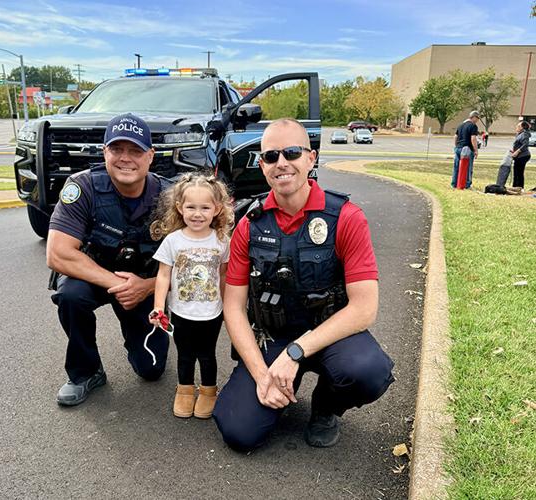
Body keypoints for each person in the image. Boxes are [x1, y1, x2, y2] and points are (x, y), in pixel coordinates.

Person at [212, 118, 394, 451]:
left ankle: (326, 406)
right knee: (239, 431)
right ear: (262, 165)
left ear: (311, 159)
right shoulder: (248, 224)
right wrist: (261, 375)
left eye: (292, 152)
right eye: (270, 156)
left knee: (368, 371)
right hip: (273, 335)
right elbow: (234, 308)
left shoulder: (346, 217)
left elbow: (364, 309)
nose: (281, 163)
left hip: (330, 334)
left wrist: (296, 352)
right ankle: (277, 388)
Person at [47, 113, 173, 406]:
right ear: (105, 152)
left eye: (136, 151)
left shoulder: (171, 196)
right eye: (117, 149)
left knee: (151, 369)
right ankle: (85, 372)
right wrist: (120, 284)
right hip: (95, 276)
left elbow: (193, 260)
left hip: (146, 282)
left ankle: (141, 341)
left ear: (151, 156)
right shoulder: (82, 188)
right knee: (70, 295)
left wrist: (147, 286)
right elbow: (58, 253)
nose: (125, 158)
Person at [149, 173, 233, 419]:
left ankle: (208, 391)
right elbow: (163, 276)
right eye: (191, 207)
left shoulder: (221, 241)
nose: (198, 214)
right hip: (181, 312)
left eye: (205, 207)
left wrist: (229, 307)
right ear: (179, 207)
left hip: (211, 313)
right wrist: (159, 307)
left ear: (217, 209)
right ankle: (185, 390)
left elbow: (224, 275)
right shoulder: (173, 241)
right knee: (185, 354)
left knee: (207, 354)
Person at [451, 110, 480, 189]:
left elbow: (455, 137)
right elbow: (473, 138)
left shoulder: (461, 125)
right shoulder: (473, 126)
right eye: (477, 118)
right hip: (466, 148)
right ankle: (467, 184)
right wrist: (476, 150)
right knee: (468, 167)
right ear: (473, 117)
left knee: (456, 167)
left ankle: (454, 183)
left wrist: (456, 145)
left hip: (458, 148)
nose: (477, 120)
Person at [510, 121, 532, 190]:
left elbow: (525, 145)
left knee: (519, 173)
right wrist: (513, 151)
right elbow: (518, 144)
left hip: (523, 156)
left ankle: (520, 188)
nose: (517, 127)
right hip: (518, 156)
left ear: (522, 128)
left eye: (518, 126)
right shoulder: (520, 134)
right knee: (516, 172)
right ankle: (515, 187)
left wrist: (517, 152)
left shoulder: (525, 134)